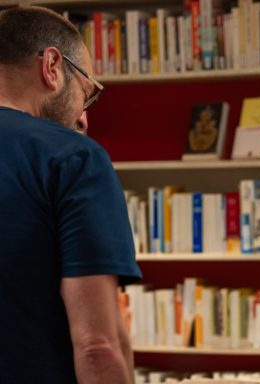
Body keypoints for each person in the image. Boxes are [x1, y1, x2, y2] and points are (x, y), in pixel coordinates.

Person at [0, 6, 141, 383]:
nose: (83, 118)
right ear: (52, 66)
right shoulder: (73, 157)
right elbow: (98, 345)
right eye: (87, 93)